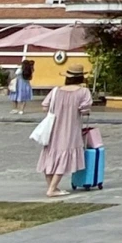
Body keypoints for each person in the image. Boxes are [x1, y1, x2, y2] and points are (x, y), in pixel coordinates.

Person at [36, 63, 93, 198]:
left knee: (50, 154)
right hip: (70, 128)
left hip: (53, 127)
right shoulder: (83, 92)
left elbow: (45, 106)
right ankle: (52, 188)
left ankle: (52, 186)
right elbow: (85, 110)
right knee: (64, 155)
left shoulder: (56, 90)